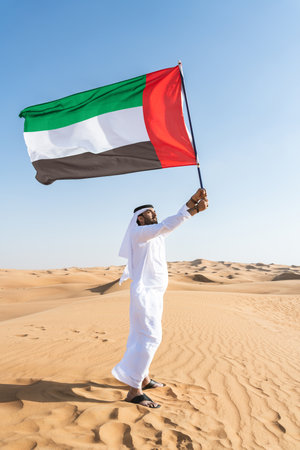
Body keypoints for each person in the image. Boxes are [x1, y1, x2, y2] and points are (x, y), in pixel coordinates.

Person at [112, 188, 208, 408]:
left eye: (155, 213)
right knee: (151, 337)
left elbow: (169, 223)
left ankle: (143, 379)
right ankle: (134, 391)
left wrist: (192, 201)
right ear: (140, 217)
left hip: (155, 295)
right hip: (144, 295)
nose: (154, 215)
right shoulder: (139, 234)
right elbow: (166, 224)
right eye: (151, 213)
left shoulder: (154, 233)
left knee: (141, 337)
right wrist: (194, 211)